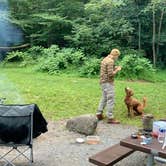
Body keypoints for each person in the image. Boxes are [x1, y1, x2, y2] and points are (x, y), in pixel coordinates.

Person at [96, 48, 121, 124]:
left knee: (104, 98)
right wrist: (117, 70)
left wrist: (114, 68)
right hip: (108, 82)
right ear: (115, 55)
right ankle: (110, 117)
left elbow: (106, 71)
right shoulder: (111, 61)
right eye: (117, 56)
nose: (117, 58)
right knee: (111, 99)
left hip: (102, 82)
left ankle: (99, 114)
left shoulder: (105, 59)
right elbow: (110, 74)